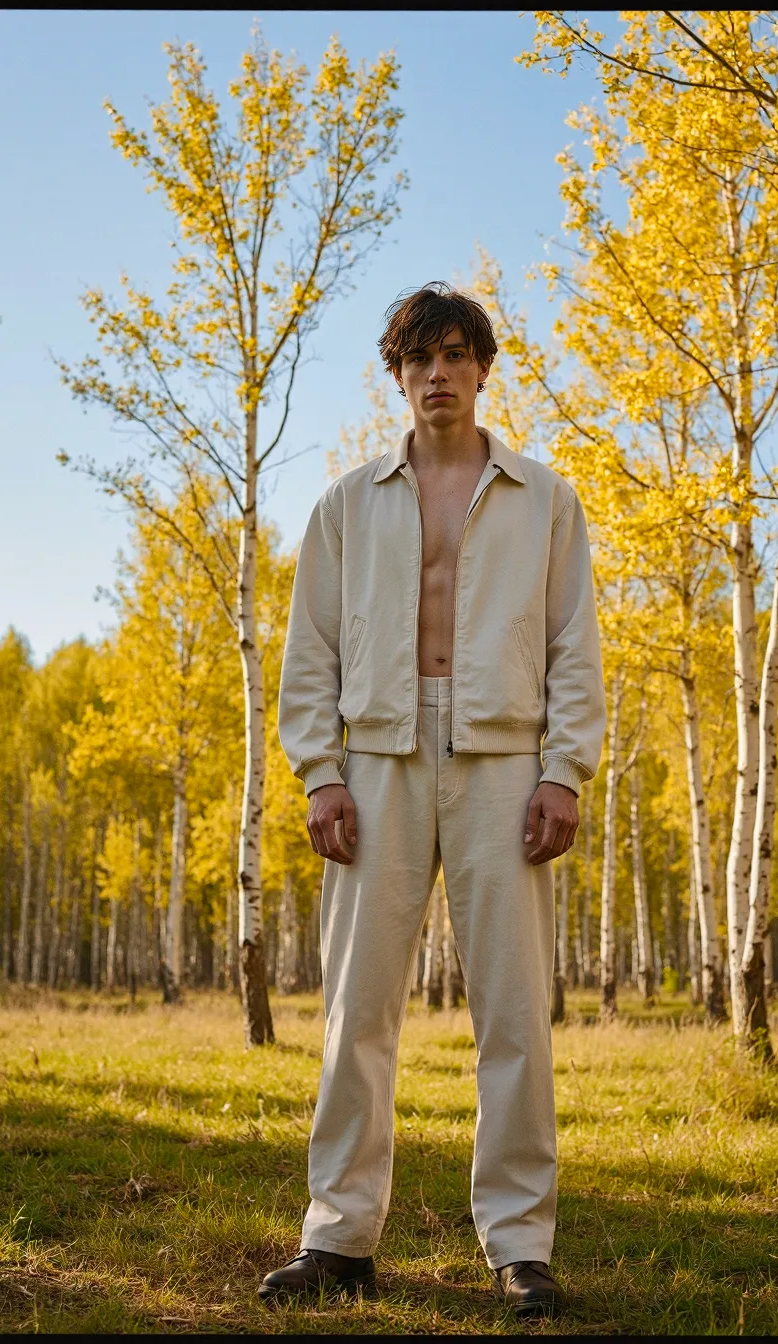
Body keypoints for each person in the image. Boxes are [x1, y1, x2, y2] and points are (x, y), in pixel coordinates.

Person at [261, 281, 606, 1319]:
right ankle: (340, 1237)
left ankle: (519, 1246)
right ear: (398, 376)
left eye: (458, 355)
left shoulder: (545, 498)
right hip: (379, 757)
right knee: (357, 1012)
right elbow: (308, 653)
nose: (440, 374)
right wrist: (322, 773)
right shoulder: (344, 503)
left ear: (484, 370)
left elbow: (574, 648)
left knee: (512, 1016)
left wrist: (565, 768)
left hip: (506, 762)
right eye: (422, 360)